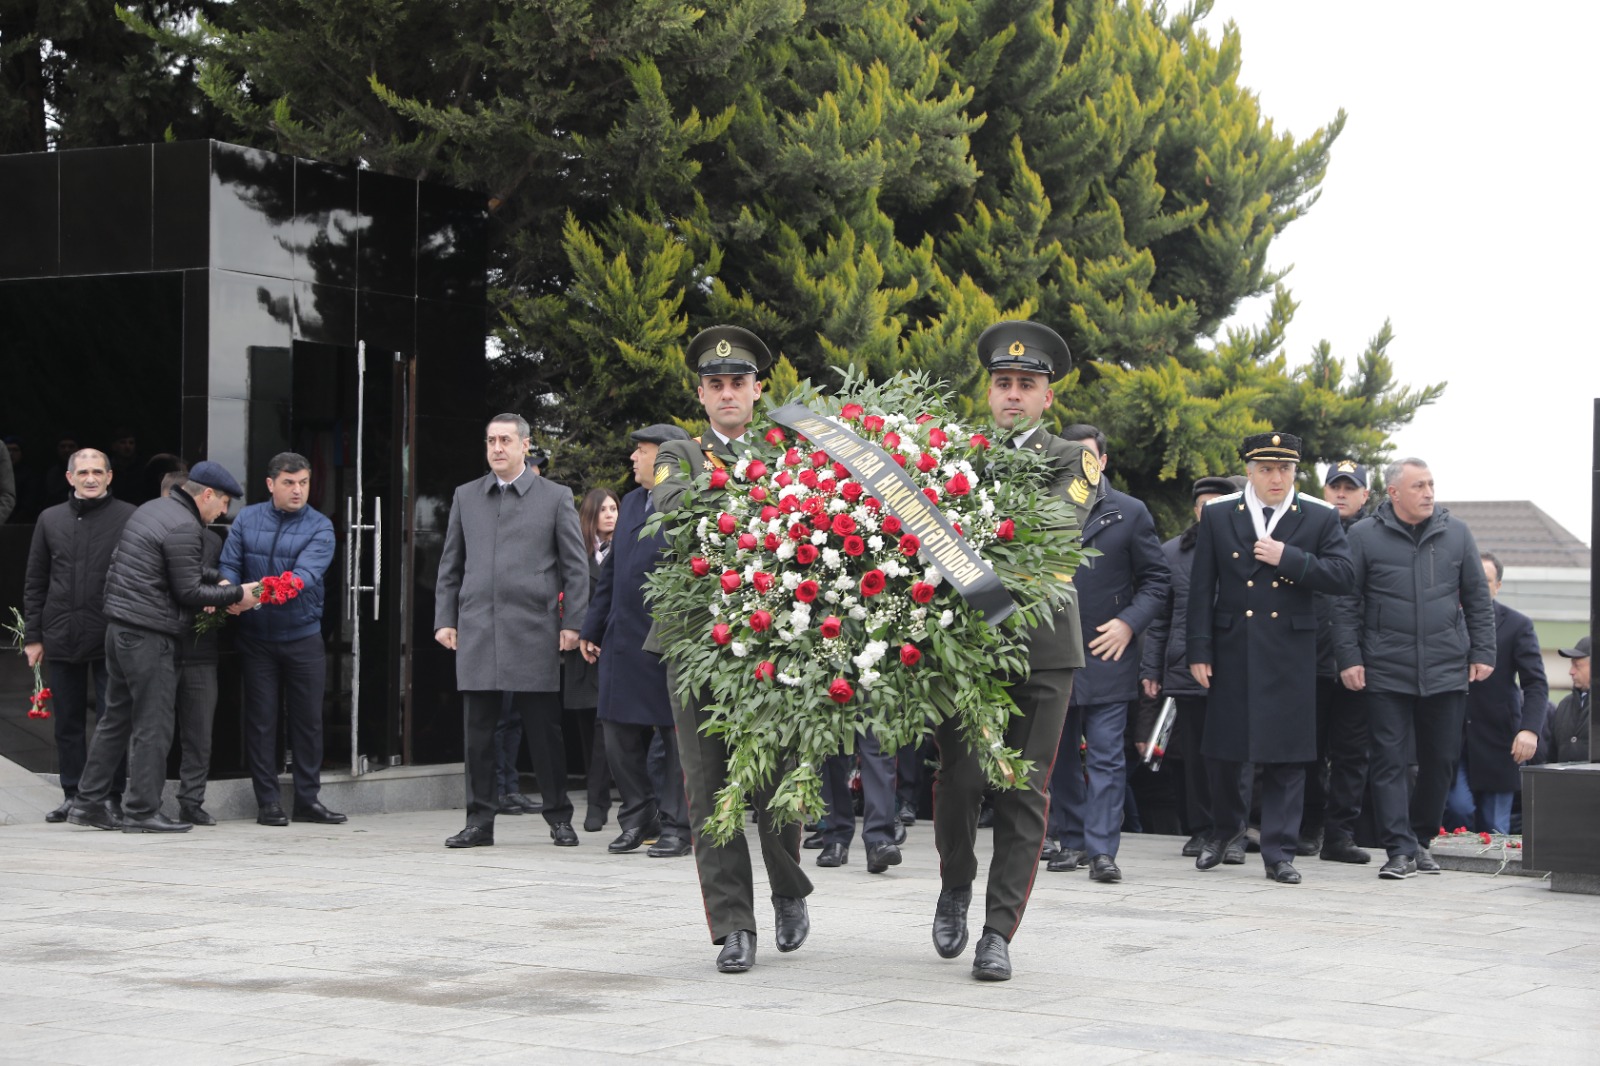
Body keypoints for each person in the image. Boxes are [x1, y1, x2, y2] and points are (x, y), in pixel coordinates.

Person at [930, 320, 1095, 982]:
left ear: (1047, 398)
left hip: (1043, 649)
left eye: (1027, 385)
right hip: (965, 648)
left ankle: (998, 932)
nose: (1013, 395)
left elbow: (1053, 533)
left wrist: (962, 537)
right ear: (989, 392)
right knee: (962, 780)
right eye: (1003, 383)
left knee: (1023, 789)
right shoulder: (951, 457)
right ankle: (956, 885)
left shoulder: (1073, 459)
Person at [651, 325, 812, 974]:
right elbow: (670, 510)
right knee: (709, 786)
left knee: (776, 781)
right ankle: (733, 926)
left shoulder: (788, 453)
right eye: (715, 385)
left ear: (757, 390)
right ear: (700, 393)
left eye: (737, 384)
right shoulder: (677, 453)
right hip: (698, 646)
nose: (726, 394)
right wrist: (760, 496)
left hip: (773, 644)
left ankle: (789, 890)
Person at [1186, 432, 1354, 884]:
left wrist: (1290, 559)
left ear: (1295, 472)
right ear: (1249, 471)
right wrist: (1198, 649)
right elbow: (1201, 586)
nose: (1276, 478)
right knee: (1223, 751)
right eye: (1266, 469)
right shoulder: (1221, 513)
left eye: (1284, 469)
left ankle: (1279, 852)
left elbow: (1343, 575)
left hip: (1289, 651)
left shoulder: (1318, 515)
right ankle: (1224, 832)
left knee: (1286, 755)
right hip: (1232, 644)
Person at [68, 461, 255, 833]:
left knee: (114, 720)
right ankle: (141, 811)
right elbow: (186, 591)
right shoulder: (186, 525)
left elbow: (169, 568)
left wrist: (217, 579)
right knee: (154, 725)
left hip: (120, 629)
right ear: (206, 495)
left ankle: (87, 803)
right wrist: (238, 593)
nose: (223, 512)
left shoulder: (154, 509)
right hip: (149, 635)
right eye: (223, 504)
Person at [1334, 457, 1495, 880]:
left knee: (1440, 761)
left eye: (1430, 484)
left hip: (1446, 668)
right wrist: (1349, 659)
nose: (1428, 492)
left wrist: (1484, 652)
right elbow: (1345, 604)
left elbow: (1477, 597)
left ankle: (1421, 839)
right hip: (1385, 669)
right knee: (1388, 761)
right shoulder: (1365, 537)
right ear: (1394, 493)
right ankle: (1399, 850)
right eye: (1418, 485)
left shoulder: (1457, 533)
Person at [435, 413, 589, 849]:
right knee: (479, 733)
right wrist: (445, 618)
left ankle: (559, 816)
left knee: (544, 731)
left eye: (505, 440)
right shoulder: (467, 496)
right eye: (490, 441)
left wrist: (573, 623)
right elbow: (450, 565)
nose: (497, 448)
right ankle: (479, 821)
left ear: (525, 445)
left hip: (535, 626)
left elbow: (576, 569)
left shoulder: (555, 496)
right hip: (478, 626)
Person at [1045, 423, 1170, 882]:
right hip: (1054, 647)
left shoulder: (1130, 512)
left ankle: (1102, 851)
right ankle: (1071, 839)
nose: (1080, 462)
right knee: (1056, 754)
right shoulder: (1043, 505)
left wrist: (1128, 623)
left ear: (1103, 461)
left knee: (1105, 756)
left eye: (1089, 455)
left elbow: (1158, 582)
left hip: (1107, 649)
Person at [579, 423, 693, 858]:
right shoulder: (629, 502)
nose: (633, 459)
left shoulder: (687, 500)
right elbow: (611, 571)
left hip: (667, 640)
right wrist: (592, 626)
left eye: (641, 451)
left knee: (676, 739)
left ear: (665, 456)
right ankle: (638, 814)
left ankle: (677, 826)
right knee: (615, 733)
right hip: (623, 637)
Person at [220, 452, 345, 827]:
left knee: (307, 722)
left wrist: (249, 595)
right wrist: (226, 588)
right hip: (256, 638)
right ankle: (268, 803)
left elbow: (303, 576)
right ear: (271, 484)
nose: (298, 490)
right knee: (262, 720)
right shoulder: (247, 518)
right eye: (289, 482)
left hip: (302, 636)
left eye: (304, 482)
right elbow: (230, 561)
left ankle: (308, 800)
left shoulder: (320, 527)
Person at [23, 448, 136, 822]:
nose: (90, 478)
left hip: (111, 636)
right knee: (67, 721)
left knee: (112, 719)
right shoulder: (50, 519)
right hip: (60, 634)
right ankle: (72, 794)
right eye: (83, 472)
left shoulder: (129, 517)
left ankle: (109, 796)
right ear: (69, 477)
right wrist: (34, 637)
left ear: (110, 476)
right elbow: (36, 580)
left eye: (98, 472)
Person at [1139, 475, 1245, 859]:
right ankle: (1201, 829)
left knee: (1234, 755)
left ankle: (1232, 832)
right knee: (1195, 757)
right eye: (1204, 505)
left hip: (1235, 668)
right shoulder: (1172, 553)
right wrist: (1152, 670)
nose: (1209, 512)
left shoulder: (1248, 547)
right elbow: (1160, 618)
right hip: (1185, 666)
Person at [1444, 552, 1548, 834]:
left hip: (1499, 740)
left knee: (1494, 828)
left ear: (1498, 585)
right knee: (1457, 809)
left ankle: (1495, 880)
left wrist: (1530, 730)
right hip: (1452, 738)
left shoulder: (1517, 625)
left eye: (1486, 580)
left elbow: (1536, 684)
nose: (1478, 586)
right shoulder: (1444, 621)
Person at [1305, 459, 1376, 864]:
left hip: (1358, 664)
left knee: (1352, 753)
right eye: (1335, 487)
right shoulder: (1307, 528)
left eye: (1351, 488)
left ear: (1366, 494)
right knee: (1307, 752)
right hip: (1311, 661)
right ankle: (1309, 825)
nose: (1342, 494)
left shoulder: (1374, 536)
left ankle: (1340, 835)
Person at [566, 487, 619, 833]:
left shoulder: (625, 548)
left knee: (605, 725)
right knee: (588, 725)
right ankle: (596, 795)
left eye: (614, 508)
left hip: (613, 648)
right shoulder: (576, 553)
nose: (610, 515)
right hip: (580, 652)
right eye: (603, 510)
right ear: (590, 515)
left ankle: (597, 804)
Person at [1542, 636, 1589, 763]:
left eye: (1577, 666)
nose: (1571, 671)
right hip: (1565, 782)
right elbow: (1552, 756)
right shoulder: (1564, 705)